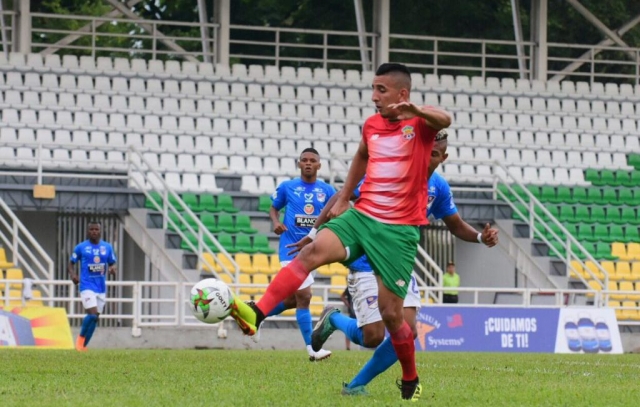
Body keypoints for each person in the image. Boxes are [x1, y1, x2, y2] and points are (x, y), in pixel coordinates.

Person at [230, 62, 452, 401]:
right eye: (373, 89)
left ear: (402, 94)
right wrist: (345, 197)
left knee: (392, 316)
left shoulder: (419, 125)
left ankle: (410, 376)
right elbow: (362, 155)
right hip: (363, 216)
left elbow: (445, 119)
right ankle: (256, 312)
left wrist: (416, 110)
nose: (374, 96)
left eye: (381, 90)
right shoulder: (372, 125)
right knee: (311, 252)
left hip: (397, 232)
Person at [302, 129, 499, 395]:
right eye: (425, 150)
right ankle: (334, 319)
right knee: (372, 336)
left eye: (435, 153)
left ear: (443, 157)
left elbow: (455, 224)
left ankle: (356, 385)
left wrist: (479, 237)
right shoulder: (390, 172)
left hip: (400, 264)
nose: (428, 157)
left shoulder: (438, 187)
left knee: (407, 331)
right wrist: (315, 232)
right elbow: (341, 196)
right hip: (367, 261)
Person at [262, 147, 335, 361]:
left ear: (319, 165)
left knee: (292, 300)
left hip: (314, 252)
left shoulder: (327, 191)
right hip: (291, 250)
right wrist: (276, 222)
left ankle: (256, 315)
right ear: (299, 164)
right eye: (304, 160)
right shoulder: (288, 187)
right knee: (305, 296)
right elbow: (273, 208)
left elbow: (336, 213)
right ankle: (313, 349)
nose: (308, 163)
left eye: (312, 160)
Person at [68, 221, 117, 352]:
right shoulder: (81, 247)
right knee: (93, 315)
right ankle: (80, 340)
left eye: (96, 229)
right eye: (91, 229)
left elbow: (112, 263)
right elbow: (71, 263)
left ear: (100, 231)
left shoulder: (107, 247)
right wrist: (73, 275)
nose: (94, 231)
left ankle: (83, 346)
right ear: (87, 231)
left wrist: (112, 269)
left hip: (101, 287)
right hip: (86, 286)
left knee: (95, 319)